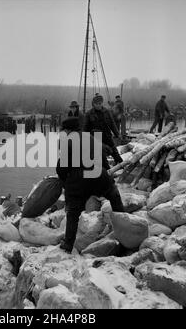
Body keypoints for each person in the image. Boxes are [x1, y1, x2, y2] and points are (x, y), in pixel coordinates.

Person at [57, 117, 125, 253]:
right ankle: (124, 229)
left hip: (79, 180)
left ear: (67, 130)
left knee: (73, 213)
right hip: (98, 174)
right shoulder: (91, 138)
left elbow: (61, 169)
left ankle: (68, 244)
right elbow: (103, 159)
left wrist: (66, 183)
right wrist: (106, 175)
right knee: (114, 195)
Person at [83, 94, 123, 165]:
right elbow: (85, 128)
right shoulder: (89, 114)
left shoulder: (106, 111)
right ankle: (105, 169)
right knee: (100, 155)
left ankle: (121, 164)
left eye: (100, 103)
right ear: (93, 104)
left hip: (107, 135)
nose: (99, 105)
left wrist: (117, 134)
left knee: (115, 153)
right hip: (96, 137)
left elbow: (112, 124)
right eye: (97, 104)